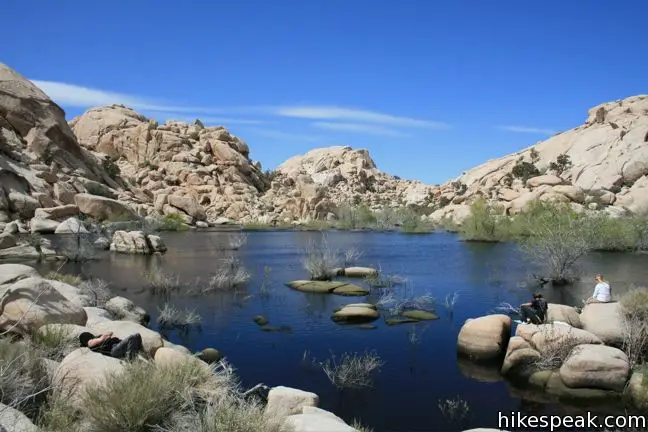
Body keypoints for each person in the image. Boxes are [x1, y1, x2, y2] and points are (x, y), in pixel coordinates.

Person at [79, 331, 143, 360]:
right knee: (132, 337)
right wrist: (103, 337)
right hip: (113, 350)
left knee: (137, 336)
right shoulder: (90, 342)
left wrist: (104, 336)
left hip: (117, 346)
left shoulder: (96, 338)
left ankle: (133, 354)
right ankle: (130, 359)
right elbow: (101, 339)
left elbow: (110, 332)